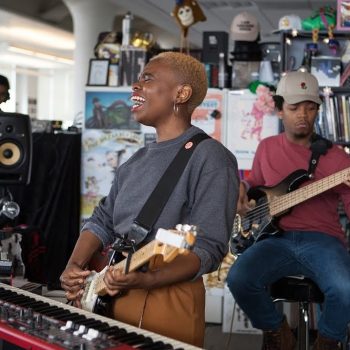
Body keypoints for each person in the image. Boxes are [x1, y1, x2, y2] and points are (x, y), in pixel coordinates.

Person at [60, 51, 240, 347]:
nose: (135, 86)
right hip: (110, 294)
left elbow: (208, 247)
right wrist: (74, 266)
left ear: (181, 93)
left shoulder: (213, 158)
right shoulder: (135, 160)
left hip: (169, 299)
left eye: (148, 78)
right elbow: (102, 220)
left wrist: (147, 280)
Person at [227, 70, 350, 350]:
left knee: (346, 289)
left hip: (323, 240)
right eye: (294, 108)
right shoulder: (266, 147)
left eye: (310, 107)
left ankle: (328, 341)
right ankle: (277, 332)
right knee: (239, 279)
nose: (303, 115)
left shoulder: (338, 158)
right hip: (273, 239)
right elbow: (256, 186)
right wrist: (242, 190)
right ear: (280, 109)